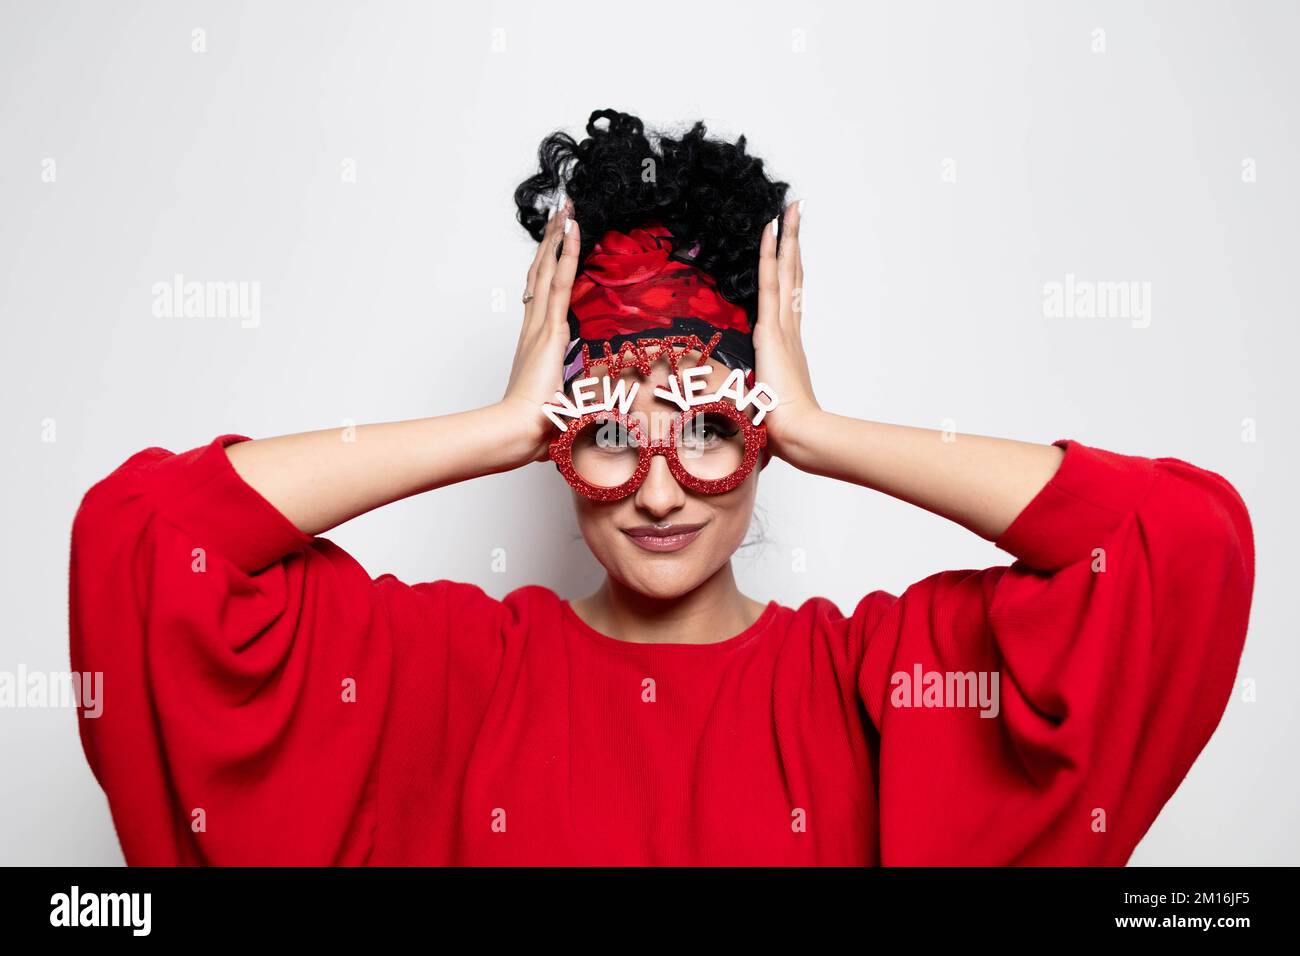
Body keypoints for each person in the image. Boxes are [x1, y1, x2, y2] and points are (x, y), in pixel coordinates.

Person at [68, 109, 1254, 866]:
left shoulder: (871, 686)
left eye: (709, 428)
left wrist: (831, 433)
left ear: (762, 438)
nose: (657, 488)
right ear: (555, 448)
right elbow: (149, 537)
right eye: (603, 434)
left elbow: (1180, 541)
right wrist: (486, 428)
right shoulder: (441, 672)